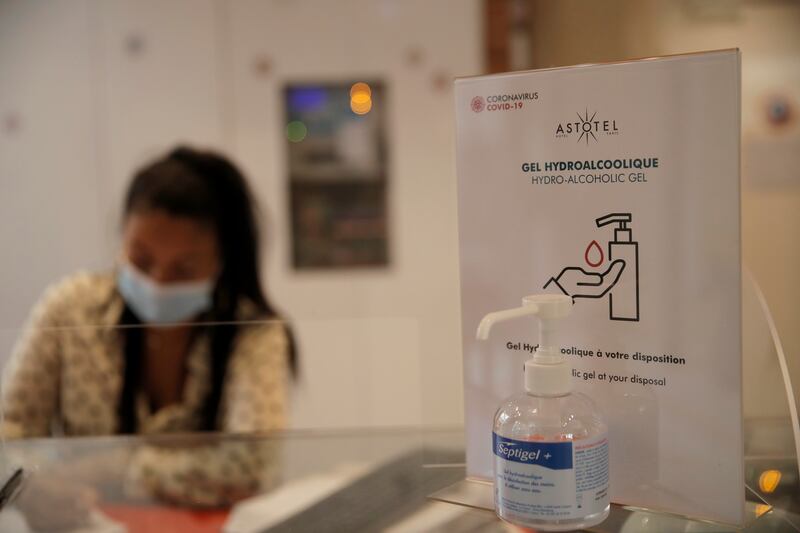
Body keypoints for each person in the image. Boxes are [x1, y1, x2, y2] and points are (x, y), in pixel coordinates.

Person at [1, 146, 295, 524]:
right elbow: (10, 434)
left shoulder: (252, 332)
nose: (158, 281)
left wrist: (115, 466)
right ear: (121, 237)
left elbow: (254, 468)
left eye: (183, 268)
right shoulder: (69, 308)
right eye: (141, 259)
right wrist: (34, 487)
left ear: (222, 262)